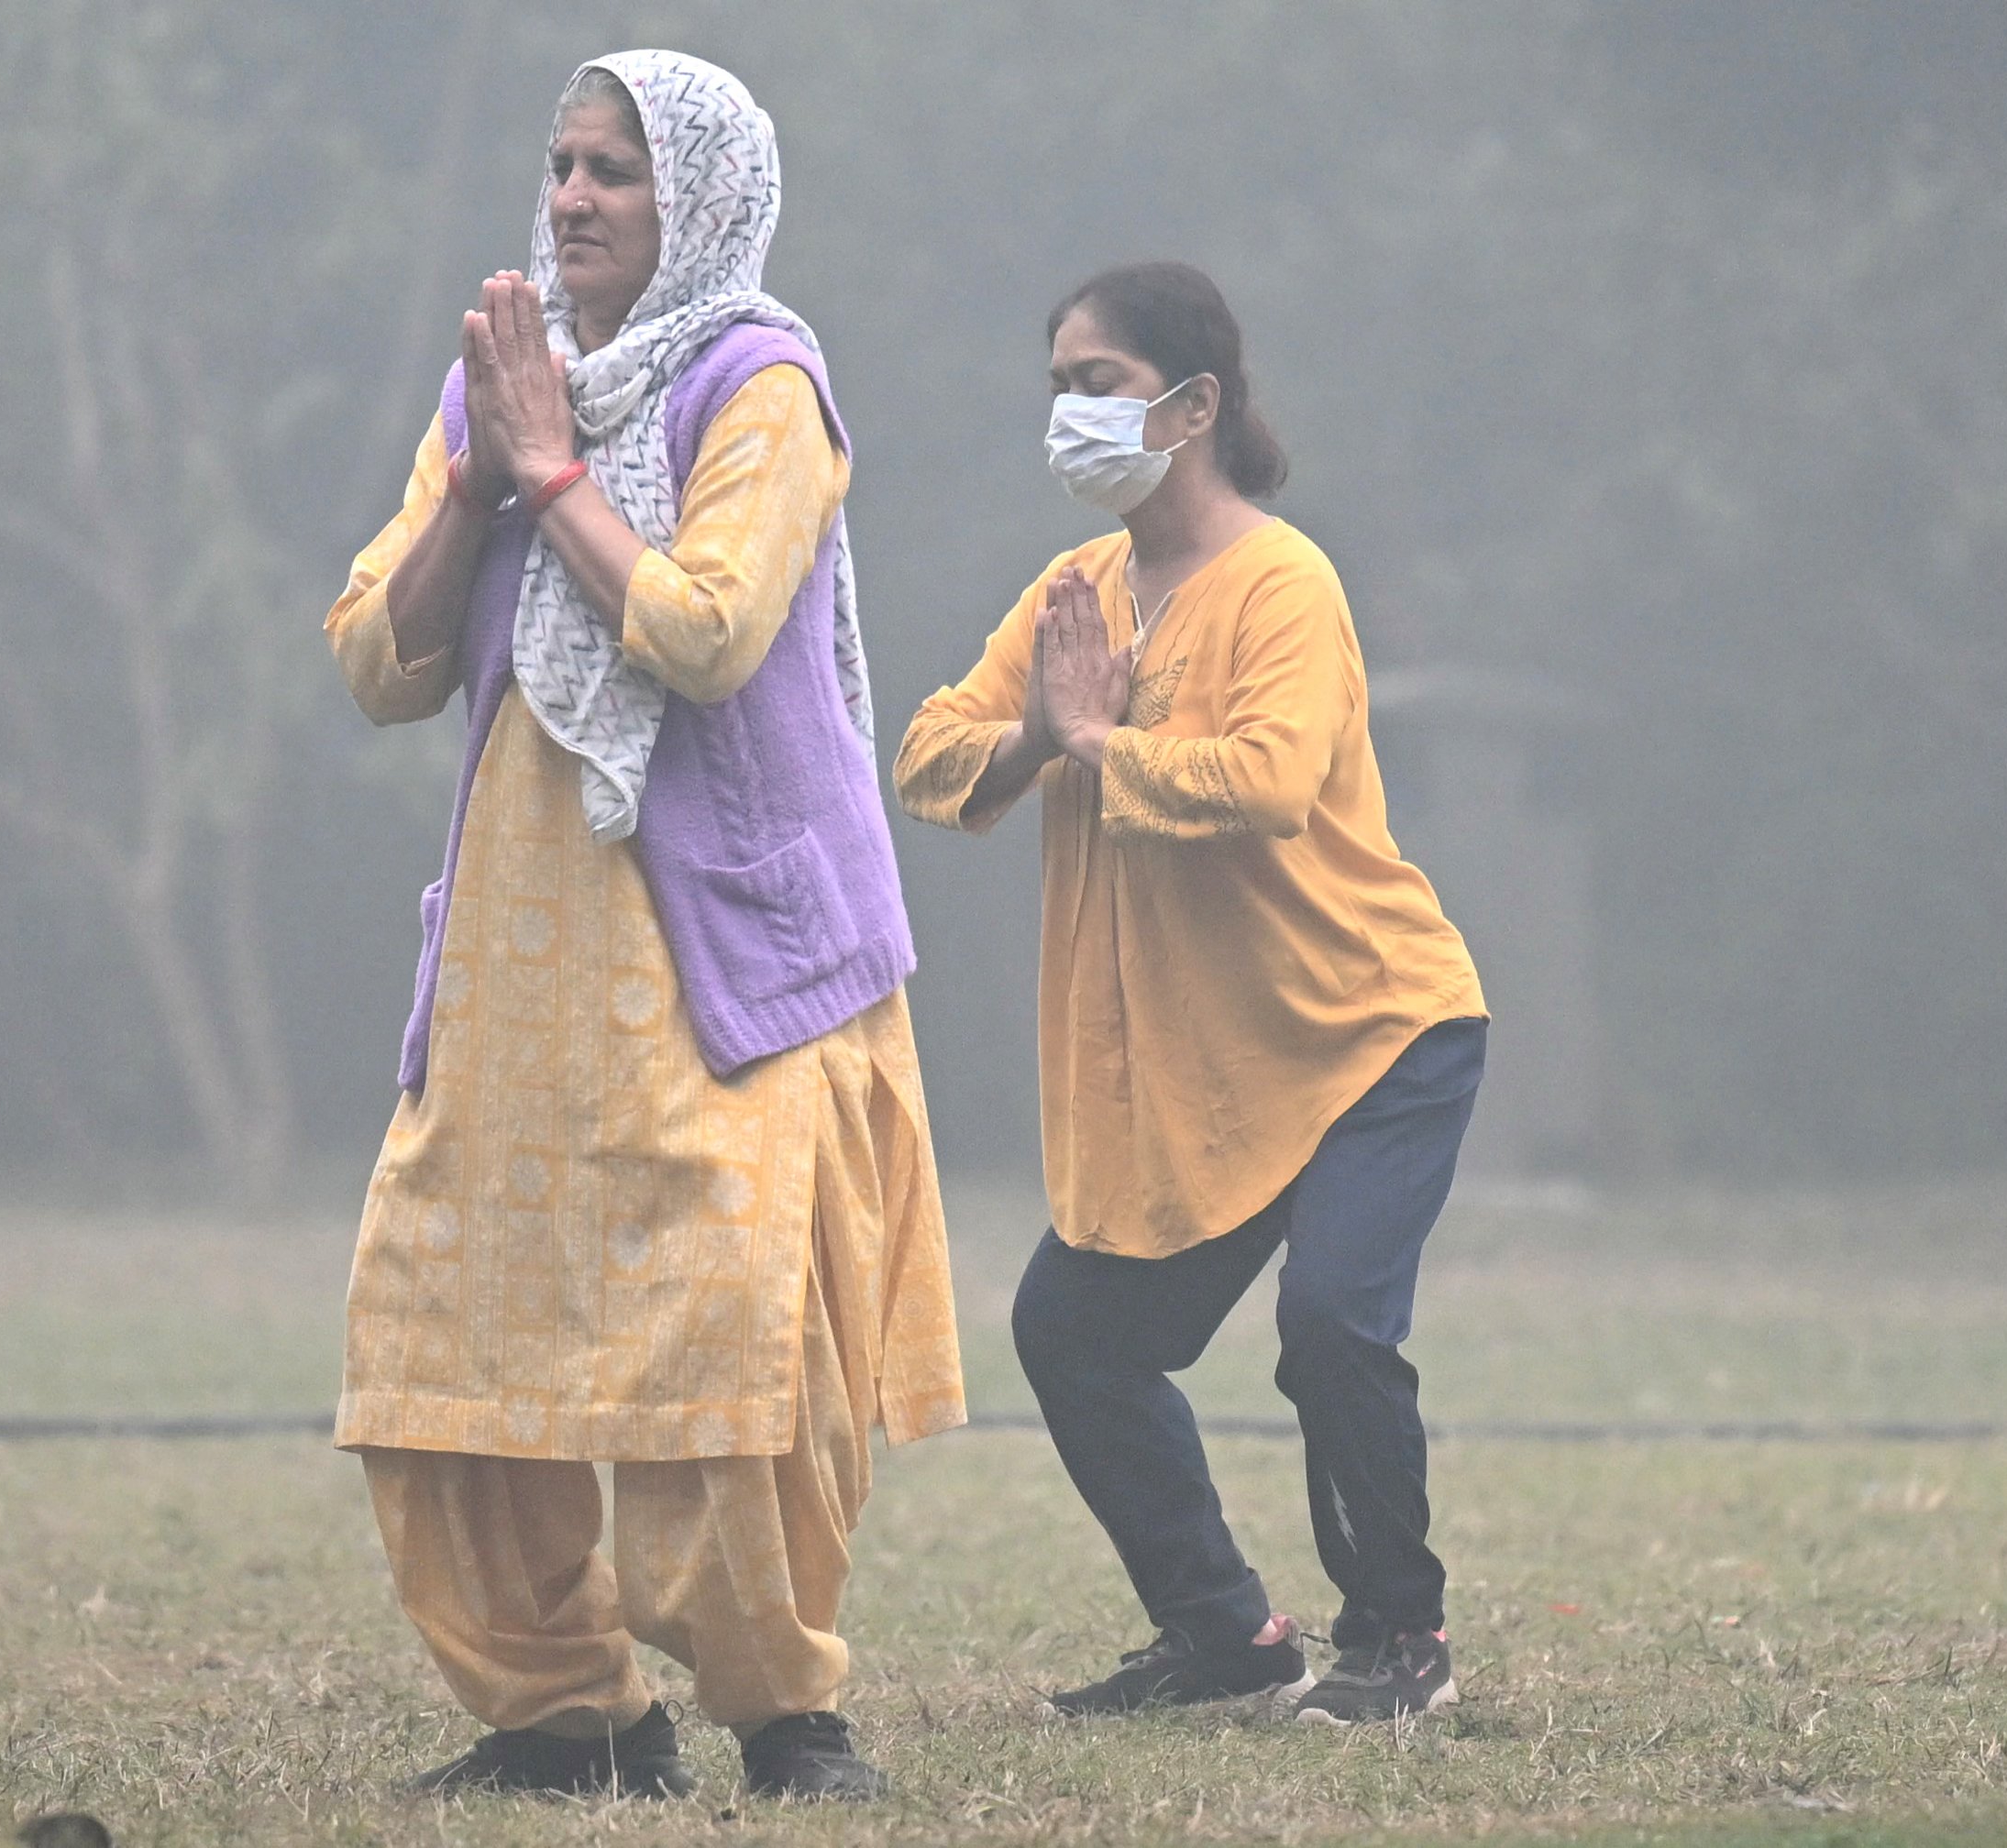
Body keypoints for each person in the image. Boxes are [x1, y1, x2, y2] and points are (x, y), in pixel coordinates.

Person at [324, 51, 962, 1802]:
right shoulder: (503, 391)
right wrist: (483, 474)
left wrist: (555, 470)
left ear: (705, 203)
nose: (577, 197)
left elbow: (702, 635)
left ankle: (788, 1717)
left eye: (619, 171)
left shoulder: (765, 387)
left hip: (728, 965)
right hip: (517, 973)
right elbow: (381, 661)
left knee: (728, 1347)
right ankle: (564, 1721)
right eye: (563, 163)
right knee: (440, 1342)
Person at [895, 261, 1487, 1725]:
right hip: (1211, 1069)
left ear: (1196, 402)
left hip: (1370, 1030)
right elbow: (925, 758)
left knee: (1336, 1327)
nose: (1068, 416)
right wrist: (1047, 730)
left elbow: (1271, 784)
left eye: (1094, 384)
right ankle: (1227, 1639)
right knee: (1076, 1333)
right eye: (1056, 390)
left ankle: (1399, 1648)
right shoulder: (1074, 592)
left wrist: (1091, 736)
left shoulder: (1284, 581)